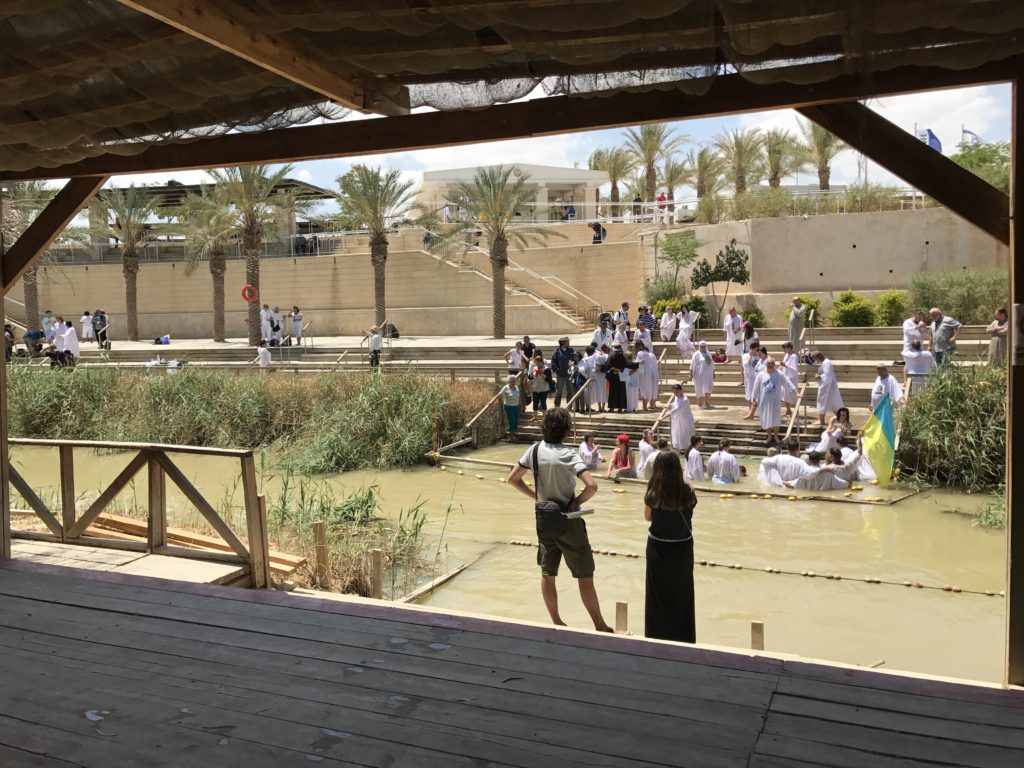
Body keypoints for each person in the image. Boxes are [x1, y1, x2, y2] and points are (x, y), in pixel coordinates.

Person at [507, 409, 613, 632]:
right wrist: (577, 502)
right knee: (584, 574)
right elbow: (592, 486)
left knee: (548, 572)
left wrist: (536, 496)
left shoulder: (533, 450)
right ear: (566, 430)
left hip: (544, 518)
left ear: (544, 427)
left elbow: (513, 479)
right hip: (569, 519)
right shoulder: (569, 454)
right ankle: (600, 625)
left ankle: (556, 622)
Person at [643, 450, 697, 643]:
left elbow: (648, 516)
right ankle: (684, 637)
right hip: (682, 547)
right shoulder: (687, 491)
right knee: (682, 593)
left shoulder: (654, 491)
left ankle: (655, 636)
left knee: (657, 594)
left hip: (658, 546)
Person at [753, 358, 794, 445]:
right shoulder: (761, 375)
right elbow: (756, 387)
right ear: (766, 364)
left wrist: (796, 392)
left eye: (772, 363)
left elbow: (788, 383)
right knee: (766, 418)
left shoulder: (779, 374)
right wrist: (754, 399)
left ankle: (775, 436)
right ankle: (769, 436)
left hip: (775, 401)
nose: (770, 364)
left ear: (774, 364)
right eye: (769, 363)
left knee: (775, 419)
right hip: (764, 401)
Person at [758, 437, 823, 487]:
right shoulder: (800, 462)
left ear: (787, 448)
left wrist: (777, 480)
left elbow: (764, 461)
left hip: (778, 487)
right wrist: (825, 469)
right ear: (798, 449)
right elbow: (810, 473)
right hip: (792, 488)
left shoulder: (778, 458)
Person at [656, 383, 695, 451]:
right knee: (677, 443)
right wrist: (670, 404)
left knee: (686, 442)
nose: (675, 394)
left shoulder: (685, 400)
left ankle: (688, 459)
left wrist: (662, 418)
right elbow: (675, 404)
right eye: (674, 392)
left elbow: (674, 411)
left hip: (685, 423)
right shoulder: (677, 397)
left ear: (681, 391)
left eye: (677, 392)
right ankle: (677, 459)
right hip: (678, 422)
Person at [813, 350, 843, 425]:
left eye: (815, 358)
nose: (815, 360)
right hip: (826, 386)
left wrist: (819, 376)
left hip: (827, 386)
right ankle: (822, 420)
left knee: (831, 403)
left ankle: (841, 419)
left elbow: (827, 375)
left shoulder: (826, 362)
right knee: (828, 403)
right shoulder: (824, 363)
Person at [550, 336, 576, 408]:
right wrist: (557, 370)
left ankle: (569, 405)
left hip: (569, 374)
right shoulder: (557, 351)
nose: (568, 343)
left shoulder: (571, 350)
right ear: (563, 342)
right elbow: (553, 362)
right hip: (560, 374)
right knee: (559, 391)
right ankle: (557, 405)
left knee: (570, 390)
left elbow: (574, 359)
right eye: (567, 341)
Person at [689, 340, 714, 409]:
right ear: (699, 346)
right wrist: (690, 374)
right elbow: (692, 365)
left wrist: (713, 372)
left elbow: (712, 364)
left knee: (708, 388)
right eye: (701, 346)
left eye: (704, 346)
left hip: (708, 375)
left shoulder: (708, 353)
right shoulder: (696, 354)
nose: (702, 348)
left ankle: (707, 403)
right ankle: (699, 404)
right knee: (699, 389)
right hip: (699, 375)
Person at [635, 342, 659, 411]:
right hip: (653, 373)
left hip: (645, 374)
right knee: (653, 389)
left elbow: (640, 365)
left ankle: (645, 407)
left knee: (644, 390)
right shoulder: (651, 355)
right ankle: (652, 404)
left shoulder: (641, 354)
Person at [605, 343, 629, 413]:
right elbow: (626, 365)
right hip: (621, 376)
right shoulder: (624, 357)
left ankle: (612, 408)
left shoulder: (611, 356)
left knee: (612, 392)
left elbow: (607, 366)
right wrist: (620, 370)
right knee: (621, 392)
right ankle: (620, 408)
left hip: (613, 376)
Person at [741, 341, 762, 420]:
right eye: (754, 349)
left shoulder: (758, 356)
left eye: (757, 350)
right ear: (751, 349)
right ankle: (750, 412)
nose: (755, 351)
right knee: (750, 394)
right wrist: (751, 356)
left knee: (758, 394)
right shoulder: (745, 356)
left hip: (757, 377)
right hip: (749, 378)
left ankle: (758, 411)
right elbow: (746, 365)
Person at [781, 342, 800, 416]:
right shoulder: (786, 355)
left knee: (793, 395)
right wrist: (782, 367)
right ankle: (788, 410)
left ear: (789, 348)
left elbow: (794, 369)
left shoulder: (794, 356)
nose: (784, 350)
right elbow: (784, 363)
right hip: (786, 377)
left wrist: (785, 366)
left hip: (792, 378)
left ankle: (796, 412)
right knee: (785, 394)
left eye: (785, 349)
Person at [500, 375, 521, 442]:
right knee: (512, 421)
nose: (513, 382)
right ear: (508, 381)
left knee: (515, 421)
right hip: (509, 406)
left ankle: (514, 435)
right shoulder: (505, 388)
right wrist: (491, 402)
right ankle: (511, 437)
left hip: (516, 406)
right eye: (511, 381)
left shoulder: (516, 387)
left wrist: (522, 406)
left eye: (514, 381)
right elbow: (499, 395)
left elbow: (519, 397)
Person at [593, 344, 610, 413]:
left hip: (597, 375)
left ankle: (599, 407)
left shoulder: (596, 355)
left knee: (598, 392)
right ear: (606, 349)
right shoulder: (607, 356)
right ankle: (602, 408)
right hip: (604, 376)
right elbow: (608, 366)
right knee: (604, 392)